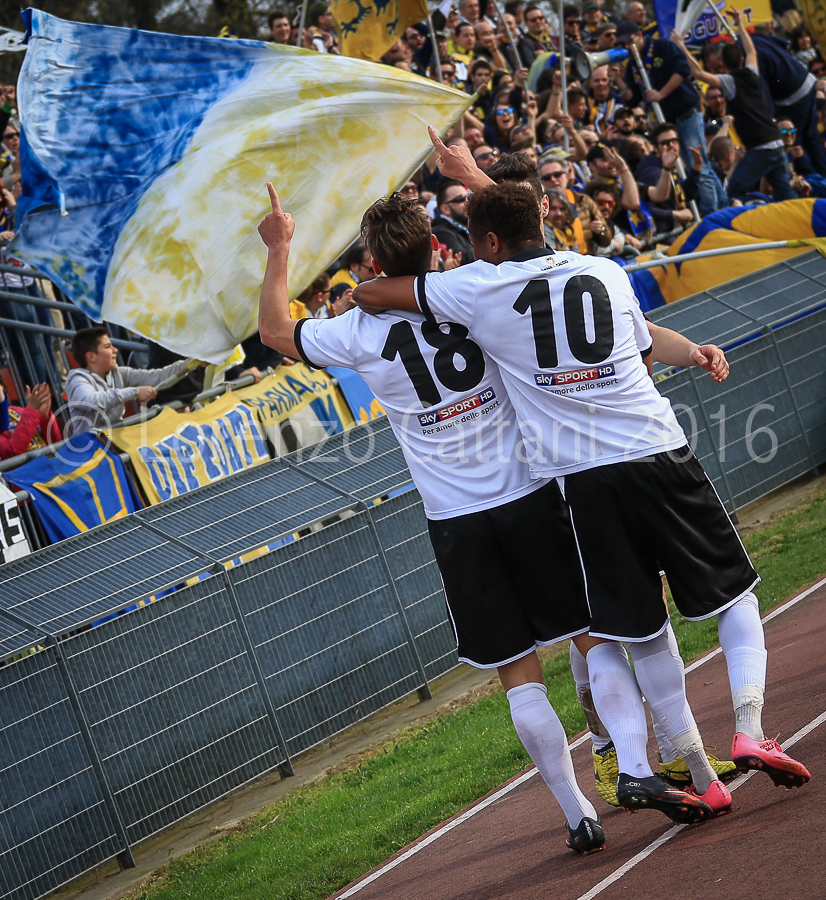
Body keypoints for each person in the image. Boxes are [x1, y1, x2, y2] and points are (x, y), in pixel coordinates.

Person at [354, 173, 811, 808]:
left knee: (630, 630)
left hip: (576, 482)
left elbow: (370, 292)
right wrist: (695, 352)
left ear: (488, 240)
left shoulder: (476, 290)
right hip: (656, 451)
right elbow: (643, 335)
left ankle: (670, 769)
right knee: (733, 593)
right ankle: (747, 729)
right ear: (540, 216)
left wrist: (349, 282)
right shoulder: (604, 271)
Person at [257, 186, 611, 854]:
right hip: (530, 493)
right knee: (591, 633)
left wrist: (279, 247)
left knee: (517, 672)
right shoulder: (473, 290)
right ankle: (629, 756)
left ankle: (577, 814)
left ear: (372, 263)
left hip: (457, 521)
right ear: (438, 248)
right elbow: (530, 249)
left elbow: (274, 331)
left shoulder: (356, 330)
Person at [671, 16, 796, 204]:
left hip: (761, 149)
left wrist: (681, 45)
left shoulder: (730, 82)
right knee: (784, 193)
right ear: (742, 60)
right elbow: (751, 50)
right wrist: (739, 25)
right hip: (776, 144)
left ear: (722, 64)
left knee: (733, 190)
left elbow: (698, 73)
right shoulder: (753, 72)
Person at [617, 21, 726, 215]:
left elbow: (682, 71)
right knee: (698, 164)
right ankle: (722, 205)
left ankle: (711, 212)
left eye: (630, 41)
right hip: (668, 121)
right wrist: (618, 80)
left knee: (697, 162)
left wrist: (661, 94)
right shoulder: (633, 63)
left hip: (686, 112)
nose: (627, 46)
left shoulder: (662, 46)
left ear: (640, 35)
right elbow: (633, 98)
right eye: (623, 44)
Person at [65, 327, 191, 434]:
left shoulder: (120, 372)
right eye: (107, 346)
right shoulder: (77, 379)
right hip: (90, 450)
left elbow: (157, 376)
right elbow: (92, 401)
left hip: (114, 445)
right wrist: (135, 392)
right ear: (91, 356)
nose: (115, 350)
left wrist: (190, 364)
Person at [0, 382, 61, 459]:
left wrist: (45, 417)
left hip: (53, 462)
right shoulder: (29, 411)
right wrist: (32, 410)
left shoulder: (16, 410)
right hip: (35, 466)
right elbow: (13, 453)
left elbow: (55, 444)